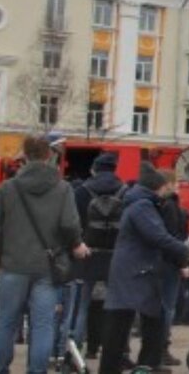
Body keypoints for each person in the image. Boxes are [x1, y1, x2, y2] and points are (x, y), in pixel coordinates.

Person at [0, 134, 89, 374]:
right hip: (47, 268)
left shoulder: (7, 188)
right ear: (49, 156)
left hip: (12, 264)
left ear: (25, 156)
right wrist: (76, 245)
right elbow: (70, 225)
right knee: (42, 325)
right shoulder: (63, 189)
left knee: (6, 322)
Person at [99, 163, 189, 374]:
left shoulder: (141, 203)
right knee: (127, 321)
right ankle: (134, 366)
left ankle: (144, 364)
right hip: (135, 270)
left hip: (136, 269)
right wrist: (184, 250)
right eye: (161, 189)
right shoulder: (142, 206)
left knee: (144, 318)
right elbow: (157, 235)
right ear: (155, 187)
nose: (164, 193)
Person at [73, 151, 126, 360]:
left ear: (94, 169)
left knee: (82, 305)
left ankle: (75, 350)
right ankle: (112, 350)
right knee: (113, 305)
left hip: (87, 253)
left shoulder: (82, 191)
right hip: (115, 255)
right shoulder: (124, 191)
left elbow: (74, 223)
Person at [156, 169, 189, 367]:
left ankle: (159, 347)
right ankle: (162, 348)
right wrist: (183, 262)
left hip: (161, 261)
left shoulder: (161, 205)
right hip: (169, 263)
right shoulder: (171, 206)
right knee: (167, 308)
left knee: (163, 306)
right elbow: (174, 237)